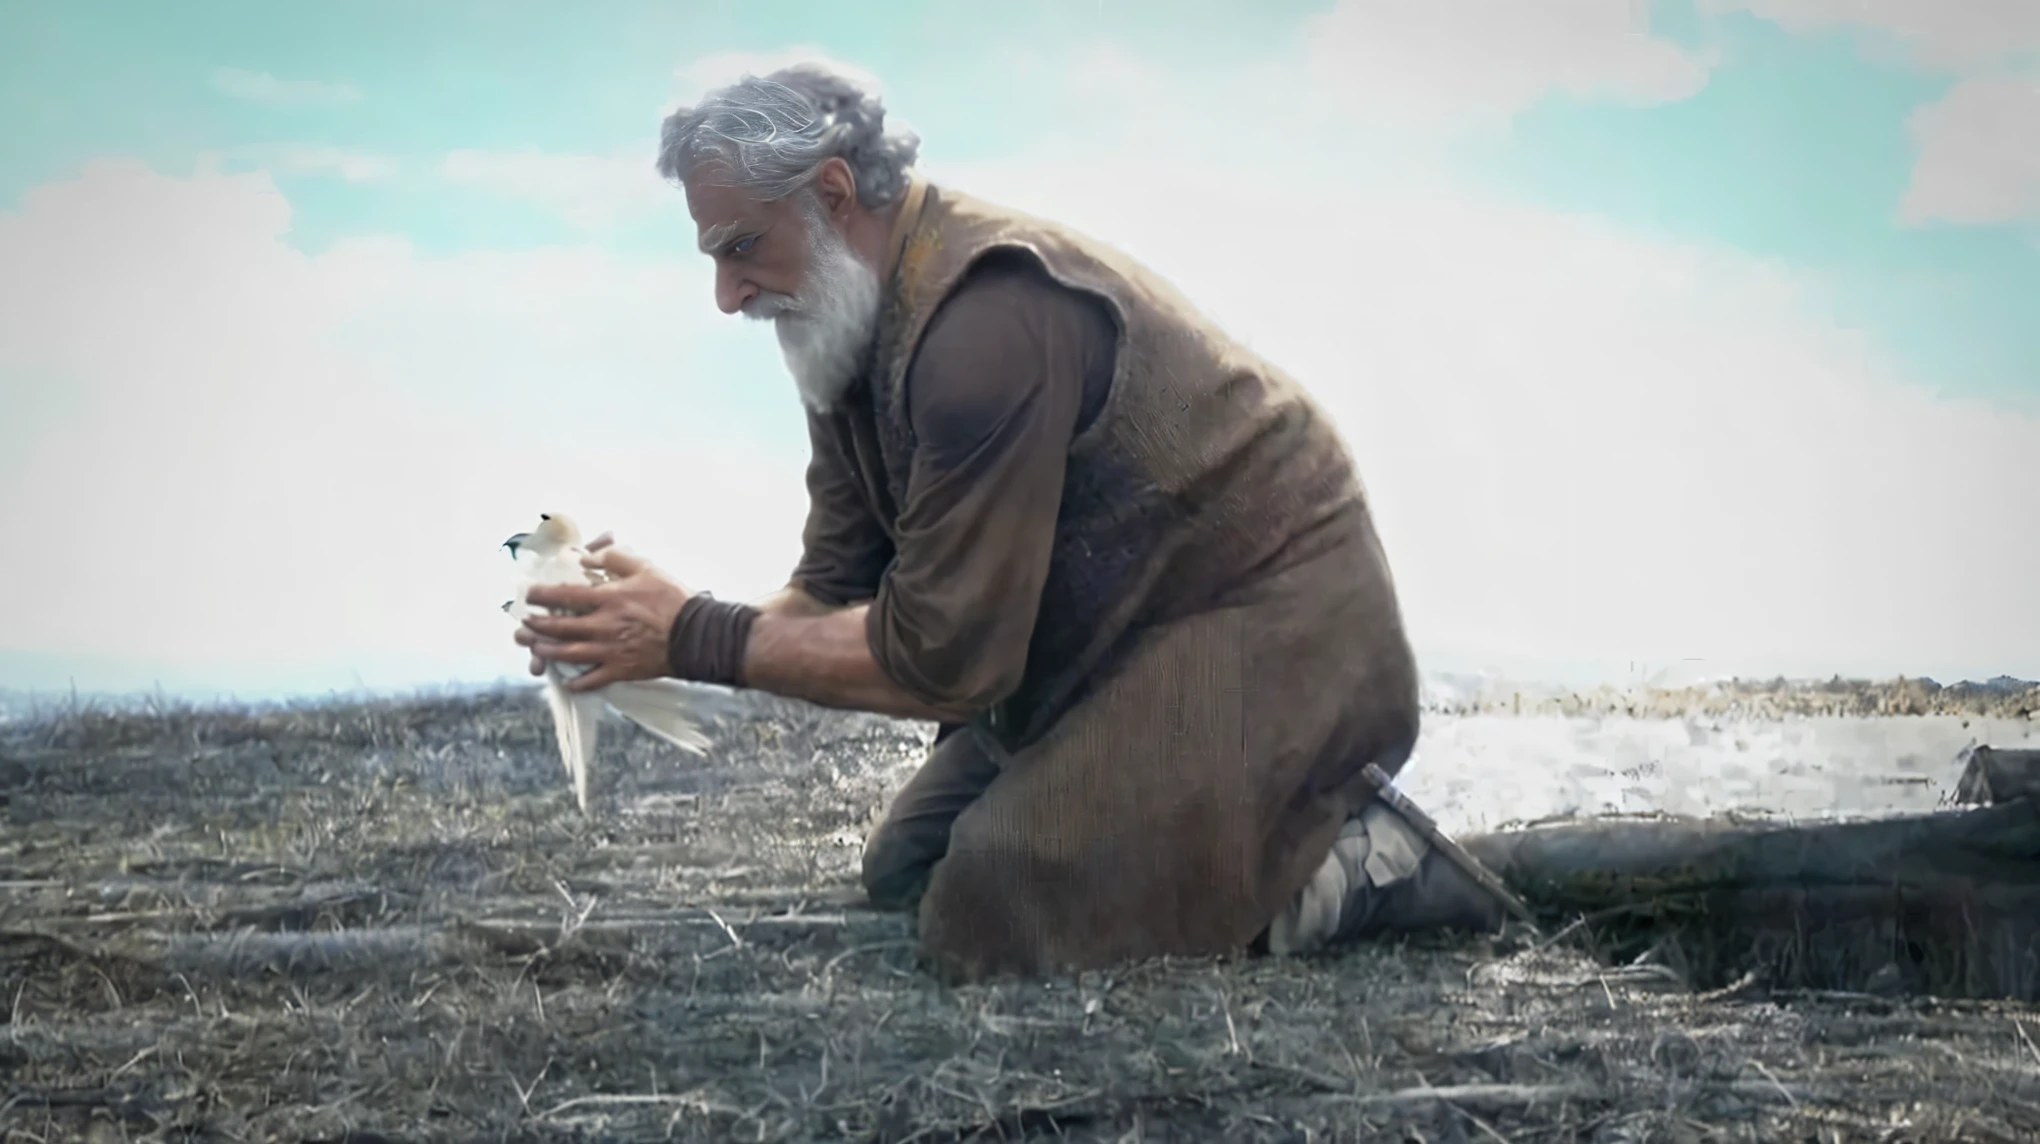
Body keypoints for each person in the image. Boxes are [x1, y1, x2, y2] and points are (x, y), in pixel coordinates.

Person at [514, 61, 1512, 982]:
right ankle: (1254, 834)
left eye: (740, 250)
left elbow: (948, 662)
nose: (726, 295)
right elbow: (832, 586)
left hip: (1275, 628)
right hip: (1112, 659)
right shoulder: (846, 328)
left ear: (829, 194)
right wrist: (638, 635)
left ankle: (1356, 864)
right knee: (911, 866)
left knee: (994, 911)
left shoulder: (984, 324)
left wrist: (693, 633)